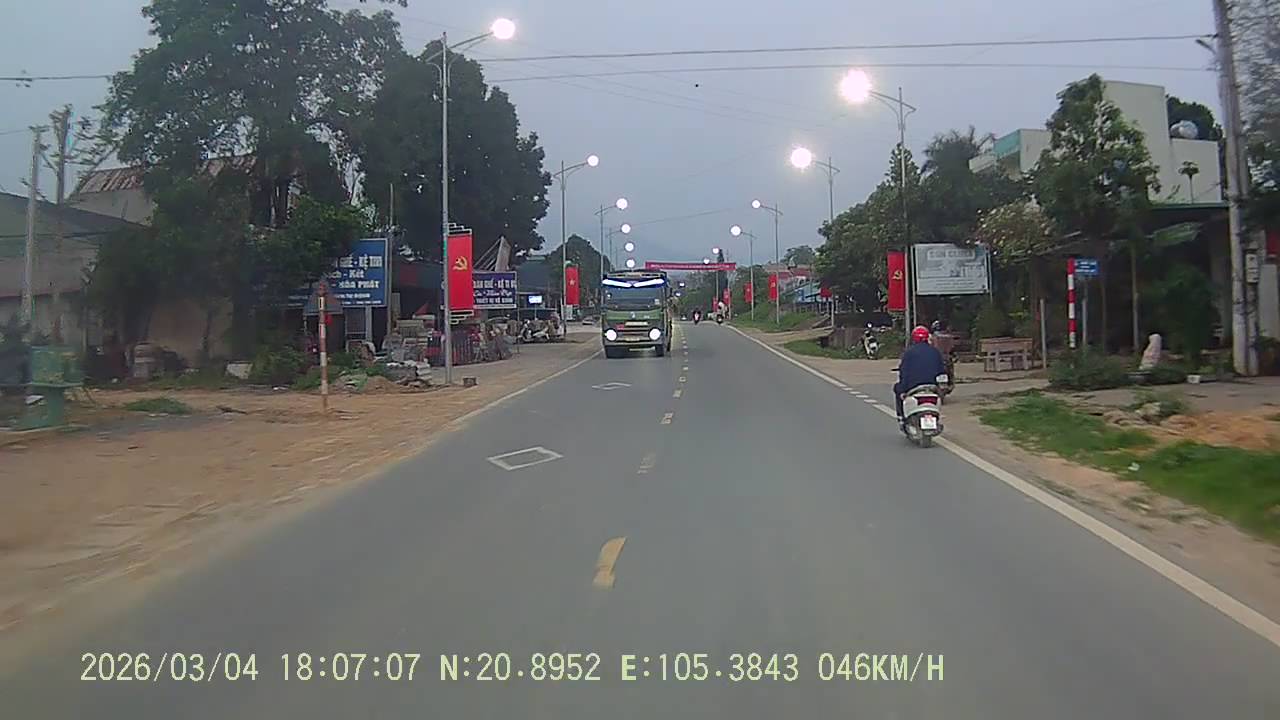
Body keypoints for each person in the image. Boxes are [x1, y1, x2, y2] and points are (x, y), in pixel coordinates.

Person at [894, 325, 948, 427]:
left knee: (897, 389)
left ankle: (901, 417)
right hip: (932, 387)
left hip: (914, 386)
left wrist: (902, 389)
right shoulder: (935, 352)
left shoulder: (909, 352)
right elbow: (941, 370)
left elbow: (904, 373)